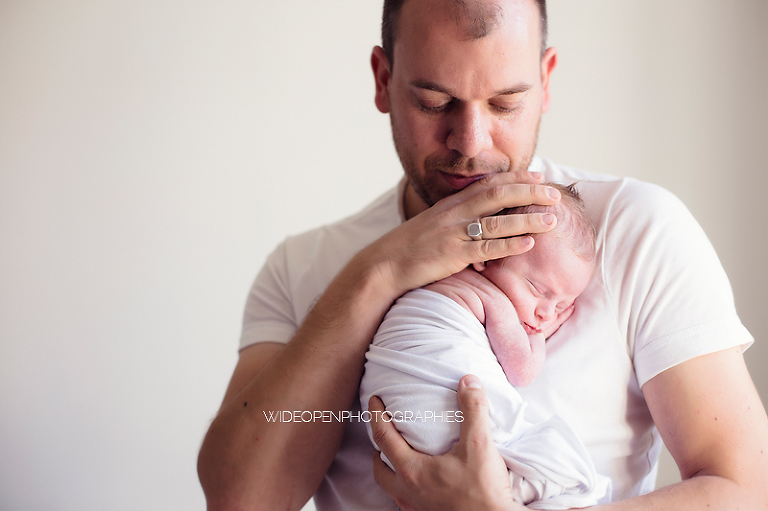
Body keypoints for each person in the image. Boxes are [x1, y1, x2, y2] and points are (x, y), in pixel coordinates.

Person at [197, 0, 768, 510]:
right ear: (383, 79)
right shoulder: (303, 270)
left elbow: (747, 488)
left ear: (545, 83)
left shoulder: (632, 229)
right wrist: (381, 272)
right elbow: (241, 499)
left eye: (505, 102)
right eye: (434, 101)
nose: (471, 143)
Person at [359, 184, 612, 509]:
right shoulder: (490, 299)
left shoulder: (434, 283)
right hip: (435, 422)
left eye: (563, 306)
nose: (546, 312)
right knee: (566, 464)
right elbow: (522, 369)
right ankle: (514, 490)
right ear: (485, 257)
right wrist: (539, 335)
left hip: (396, 433)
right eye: (538, 289)